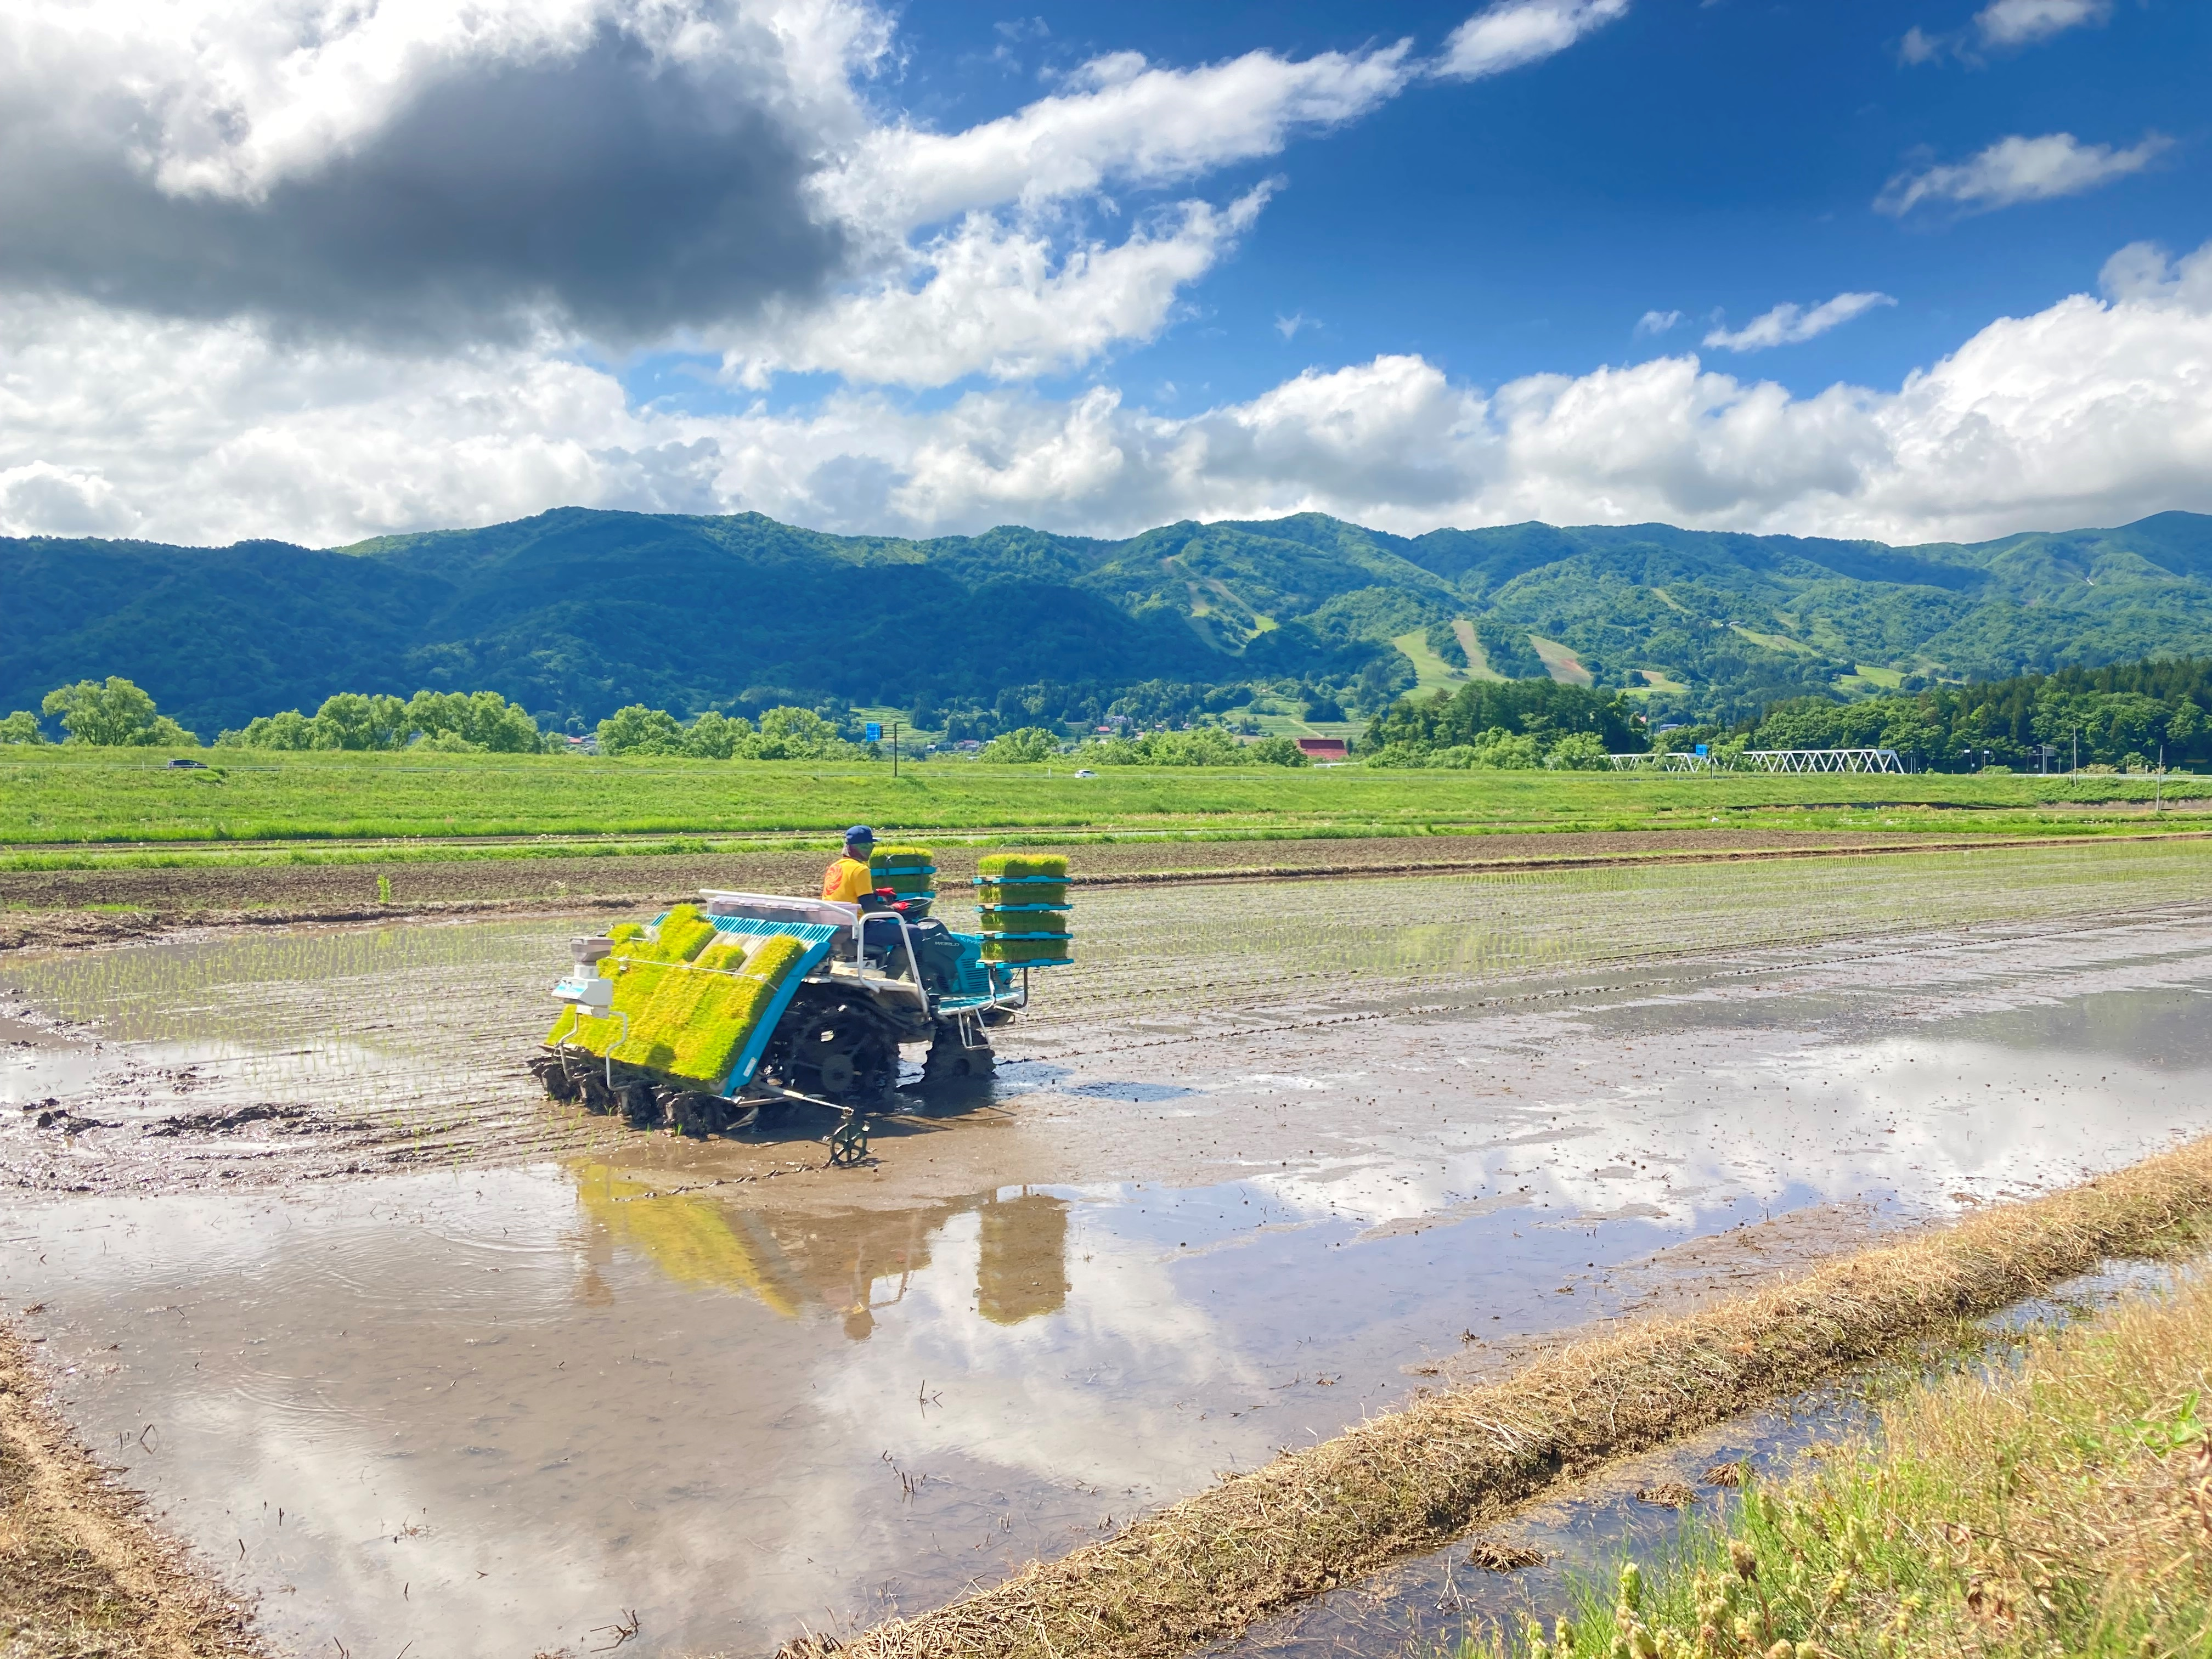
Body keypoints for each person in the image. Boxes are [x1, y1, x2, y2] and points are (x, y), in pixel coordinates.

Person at [821, 826, 877, 904]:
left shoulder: (835, 867)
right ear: (863, 847)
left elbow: (846, 894)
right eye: (871, 845)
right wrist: (896, 907)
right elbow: (870, 907)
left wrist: (875, 893)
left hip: (830, 914)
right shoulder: (860, 869)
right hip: (852, 915)